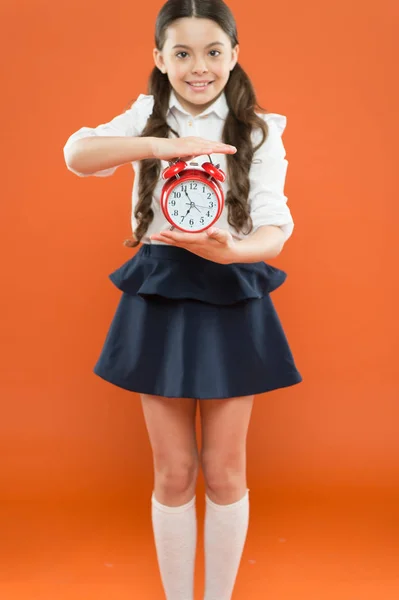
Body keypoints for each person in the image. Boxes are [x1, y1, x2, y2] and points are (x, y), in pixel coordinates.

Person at [63, 1, 302, 598]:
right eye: (183, 53)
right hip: (160, 286)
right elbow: (76, 154)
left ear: (235, 54)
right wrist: (156, 147)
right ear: (159, 59)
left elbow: (275, 224)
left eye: (214, 51)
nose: (200, 67)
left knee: (224, 470)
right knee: (173, 471)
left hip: (230, 288)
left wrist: (234, 253)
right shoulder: (146, 114)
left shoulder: (259, 128)